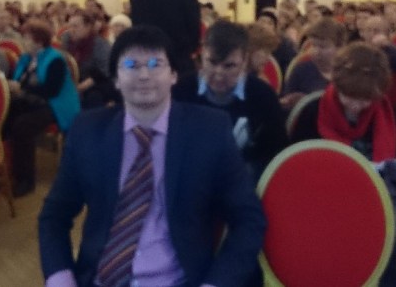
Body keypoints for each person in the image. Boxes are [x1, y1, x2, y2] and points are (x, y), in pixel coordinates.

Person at [38, 25, 266, 287]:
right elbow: (54, 215)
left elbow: (248, 219)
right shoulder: (88, 131)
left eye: (156, 64)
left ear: (173, 75)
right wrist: (60, 277)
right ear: (116, 79)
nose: (144, 75)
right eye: (131, 65)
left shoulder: (209, 131)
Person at [289, 42, 396, 286]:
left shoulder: (393, 116)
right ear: (337, 85)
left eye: (366, 100)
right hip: (327, 201)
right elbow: (296, 169)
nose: (356, 106)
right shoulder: (313, 113)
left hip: (382, 199)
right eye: (350, 97)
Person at [172, 20, 286, 183]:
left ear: (245, 61)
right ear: (202, 56)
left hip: (246, 182)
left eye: (229, 66)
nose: (219, 73)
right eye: (212, 62)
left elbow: (276, 156)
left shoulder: (263, 96)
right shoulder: (181, 91)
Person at [8, 18, 80, 196]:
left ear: (39, 41)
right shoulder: (26, 59)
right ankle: (3, 172)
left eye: (26, 38)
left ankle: (26, 180)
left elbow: (51, 91)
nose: (23, 42)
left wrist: (21, 87)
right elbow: (19, 82)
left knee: (22, 126)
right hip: (33, 102)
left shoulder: (55, 59)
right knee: (6, 117)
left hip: (57, 105)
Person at [281, 18, 347, 109]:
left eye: (323, 47)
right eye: (313, 45)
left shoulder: (349, 74)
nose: (316, 52)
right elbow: (287, 108)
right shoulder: (301, 71)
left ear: (340, 47)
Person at [62, 10, 114, 108]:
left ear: (88, 27)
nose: (71, 30)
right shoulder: (68, 41)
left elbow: (104, 70)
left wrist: (79, 88)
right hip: (73, 83)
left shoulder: (99, 44)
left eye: (75, 26)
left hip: (95, 86)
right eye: (69, 26)